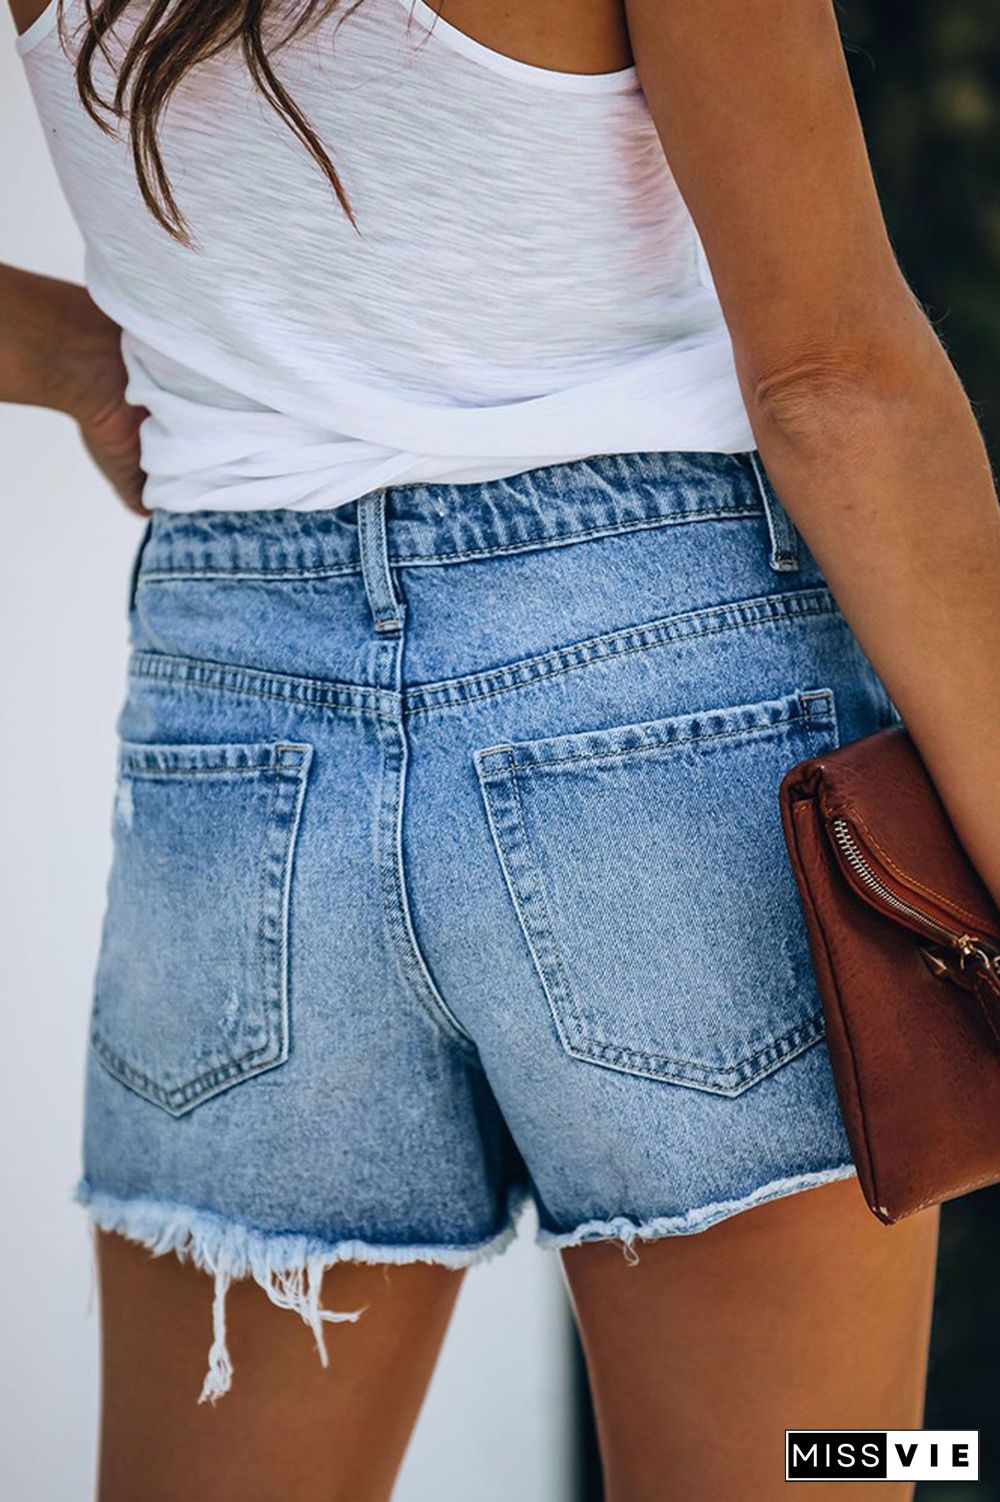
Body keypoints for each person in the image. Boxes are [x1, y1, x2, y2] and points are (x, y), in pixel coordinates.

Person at [4, 0, 997, 1497]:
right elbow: (835, 386)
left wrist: (91, 353)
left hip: (234, 745)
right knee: (832, 1467)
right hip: (676, 729)